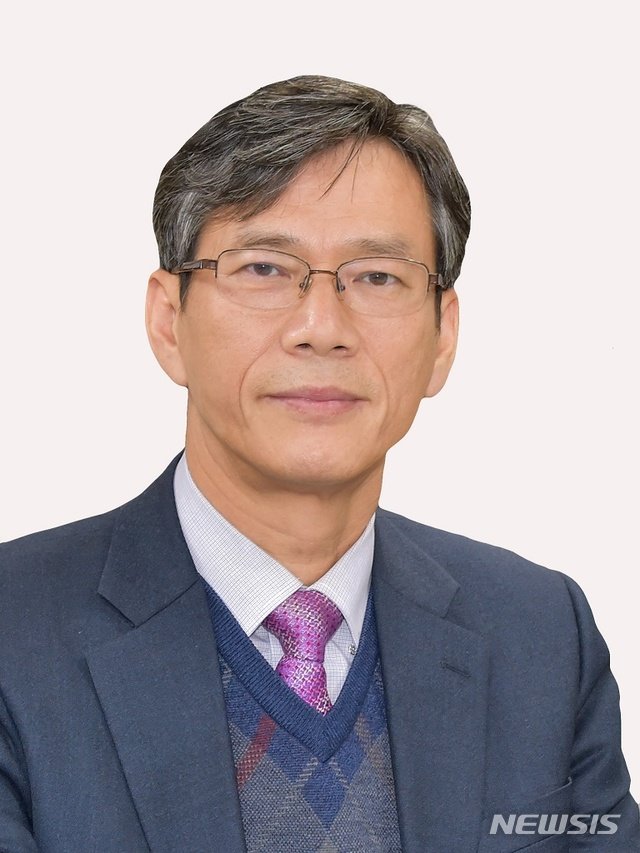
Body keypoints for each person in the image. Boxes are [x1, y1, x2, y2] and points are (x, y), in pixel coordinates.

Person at [0, 75, 637, 853]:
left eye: (378, 277)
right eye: (264, 268)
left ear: (442, 338)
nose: (321, 326)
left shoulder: (540, 635)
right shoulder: (14, 633)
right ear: (169, 323)